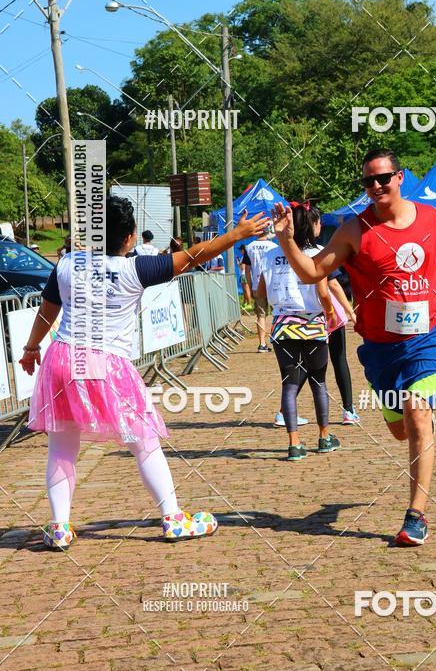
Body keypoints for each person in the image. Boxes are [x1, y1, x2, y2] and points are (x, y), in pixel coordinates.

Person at [19, 195, 268, 550]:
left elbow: (47, 311)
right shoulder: (136, 269)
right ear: (130, 237)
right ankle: (173, 517)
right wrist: (237, 234)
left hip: (62, 358)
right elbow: (196, 255)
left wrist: (31, 349)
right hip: (108, 363)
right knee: (144, 442)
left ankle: (59, 527)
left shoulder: (67, 264)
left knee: (61, 445)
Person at [272, 148, 436, 544]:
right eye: (368, 181)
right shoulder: (354, 230)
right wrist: (288, 242)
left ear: (400, 177)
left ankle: (416, 516)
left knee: (418, 412)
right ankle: (404, 420)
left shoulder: (428, 217)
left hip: (427, 338)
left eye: (383, 178)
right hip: (379, 348)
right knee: (400, 430)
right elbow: (312, 272)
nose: (376, 187)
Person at [257, 203, 341, 461]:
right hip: (313, 323)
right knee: (319, 381)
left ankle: (294, 443)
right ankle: (324, 436)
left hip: (283, 324)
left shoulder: (271, 255)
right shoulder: (318, 252)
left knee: (290, 384)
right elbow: (324, 292)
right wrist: (330, 313)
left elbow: (261, 294)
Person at [294, 206, 360, 425]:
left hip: (299, 316)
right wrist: (350, 311)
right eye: (318, 222)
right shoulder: (320, 252)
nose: (320, 225)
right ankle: (348, 410)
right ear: (312, 224)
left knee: (304, 364)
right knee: (339, 359)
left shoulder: (289, 253)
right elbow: (332, 284)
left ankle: (286, 410)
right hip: (326, 314)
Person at [244, 224, 277, 354]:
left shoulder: (249, 247)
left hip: (257, 284)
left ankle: (262, 343)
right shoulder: (274, 247)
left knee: (261, 315)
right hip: (274, 285)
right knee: (278, 313)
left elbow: (247, 270)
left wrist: (250, 285)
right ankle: (278, 339)